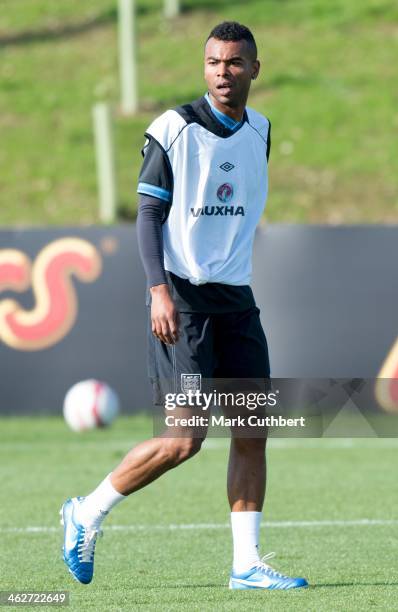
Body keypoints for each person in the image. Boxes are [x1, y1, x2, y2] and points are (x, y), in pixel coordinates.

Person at [60, 21, 308, 591]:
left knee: (252, 432)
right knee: (183, 439)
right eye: (214, 62)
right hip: (183, 301)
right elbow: (148, 214)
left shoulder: (261, 130)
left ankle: (246, 564)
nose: (224, 72)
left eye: (235, 62)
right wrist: (158, 291)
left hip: (237, 302)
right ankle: (86, 511)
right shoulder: (173, 128)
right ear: (205, 68)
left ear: (254, 69)